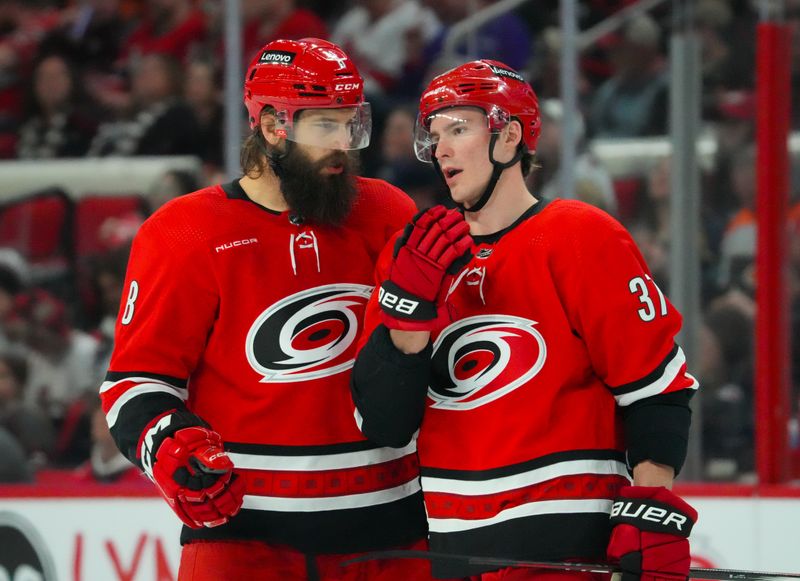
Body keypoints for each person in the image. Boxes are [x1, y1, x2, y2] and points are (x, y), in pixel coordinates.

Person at [351, 60, 700, 580]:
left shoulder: (581, 236)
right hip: (452, 553)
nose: (442, 148)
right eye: (436, 135)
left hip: (571, 551)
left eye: (459, 128)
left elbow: (655, 389)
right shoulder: (412, 257)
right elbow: (384, 425)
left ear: (509, 136)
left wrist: (651, 506)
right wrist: (407, 321)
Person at [99, 38, 429, 580]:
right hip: (243, 542)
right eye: (327, 127)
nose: (344, 145)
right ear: (275, 126)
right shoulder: (184, 233)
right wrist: (168, 447)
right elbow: (134, 383)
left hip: (390, 535)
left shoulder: (387, 212)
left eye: (352, 125)